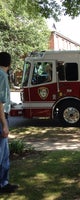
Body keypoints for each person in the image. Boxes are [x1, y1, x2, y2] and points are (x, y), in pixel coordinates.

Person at [0, 52, 18, 193]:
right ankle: (3, 184)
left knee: (4, 154)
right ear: (9, 63)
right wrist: (4, 125)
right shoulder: (2, 76)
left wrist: (11, 104)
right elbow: (0, 101)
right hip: (1, 119)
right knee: (2, 155)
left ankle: (4, 183)